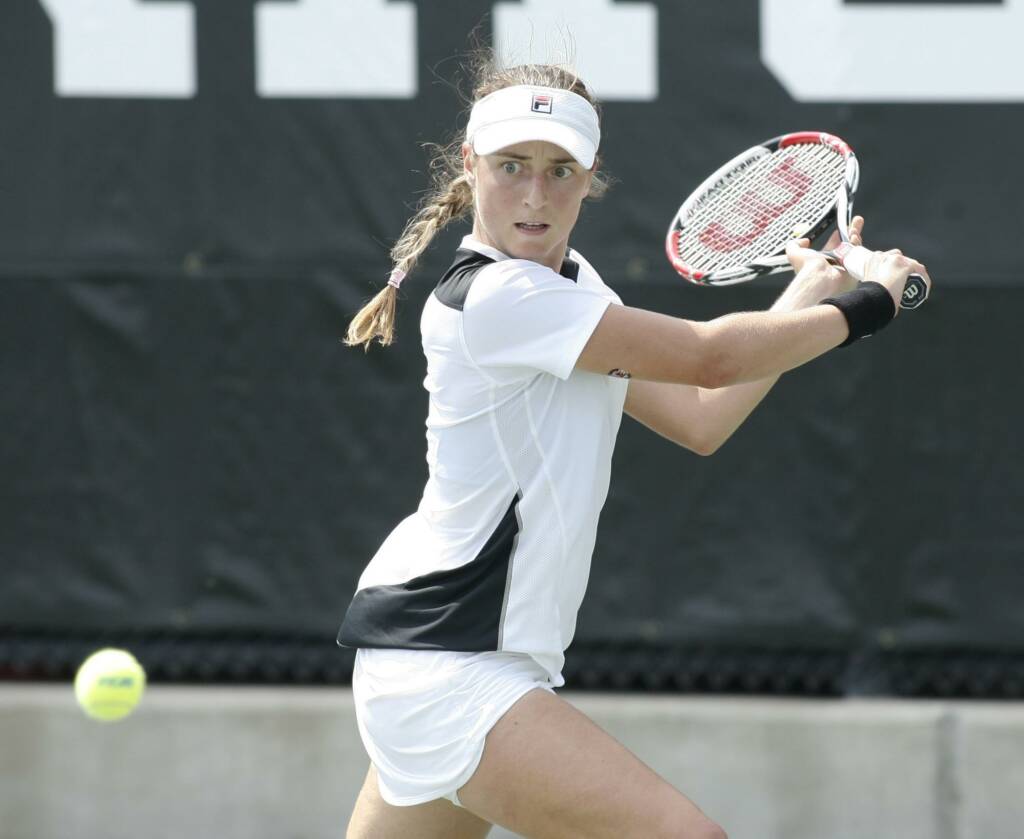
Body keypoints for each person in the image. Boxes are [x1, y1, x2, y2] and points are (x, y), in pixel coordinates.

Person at [336, 53, 930, 839]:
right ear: (471, 166)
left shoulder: (571, 287)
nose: (535, 194)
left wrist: (810, 289)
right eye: (512, 165)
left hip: (441, 655)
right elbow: (710, 354)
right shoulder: (499, 297)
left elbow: (699, 413)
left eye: (560, 170)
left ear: (590, 179)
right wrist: (870, 302)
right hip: (448, 661)